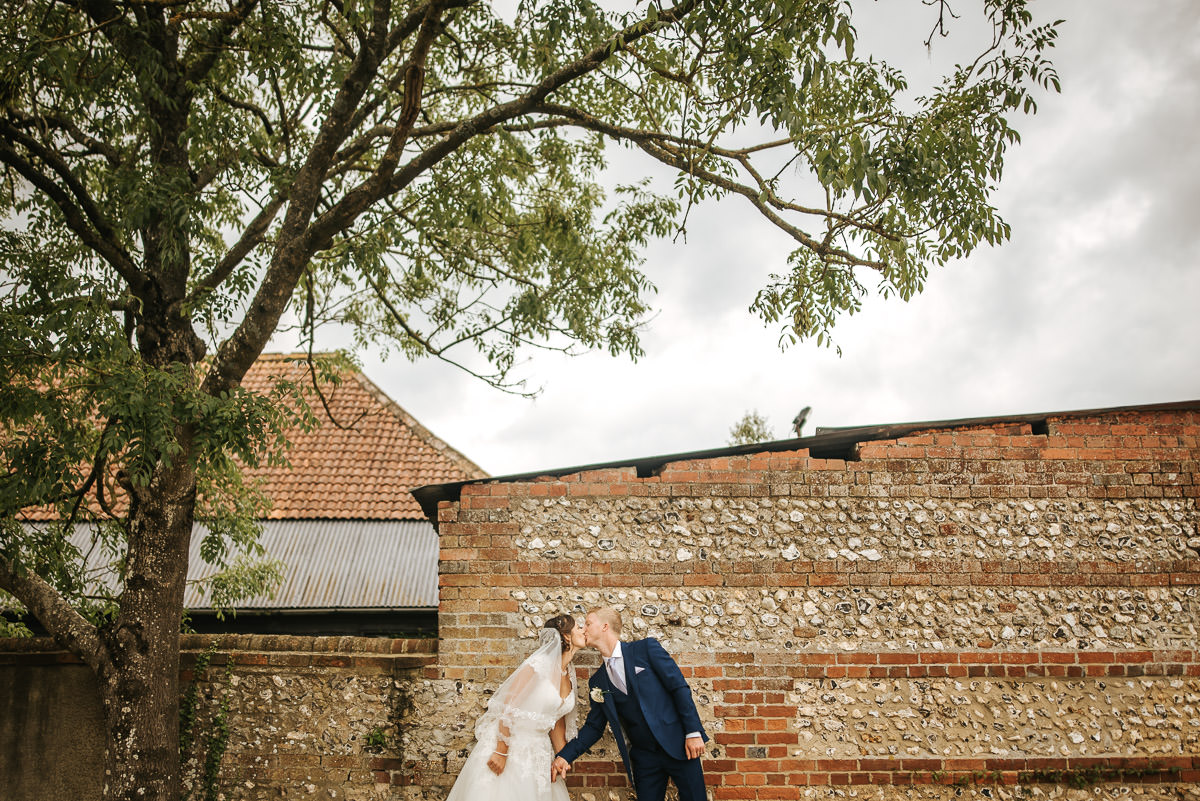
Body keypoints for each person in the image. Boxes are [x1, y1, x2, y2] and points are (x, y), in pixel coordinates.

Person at [552, 607, 708, 801]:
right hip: (644, 758)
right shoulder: (598, 682)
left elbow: (678, 688)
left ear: (604, 626)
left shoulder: (646, 649)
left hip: (680, 744)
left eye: (588, 623)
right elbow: (594, 727)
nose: (583, 628)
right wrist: (565, 756)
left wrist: (693, 732)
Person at [445, 614, 586, 801]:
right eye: (579, 628)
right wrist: (501, 751)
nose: (584, 631)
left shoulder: (568, 673)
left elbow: (556, 720)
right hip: (512, 747)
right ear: (567, 636)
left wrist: (563, 758)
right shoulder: (538, 665)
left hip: (539, 751)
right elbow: (509, 705)